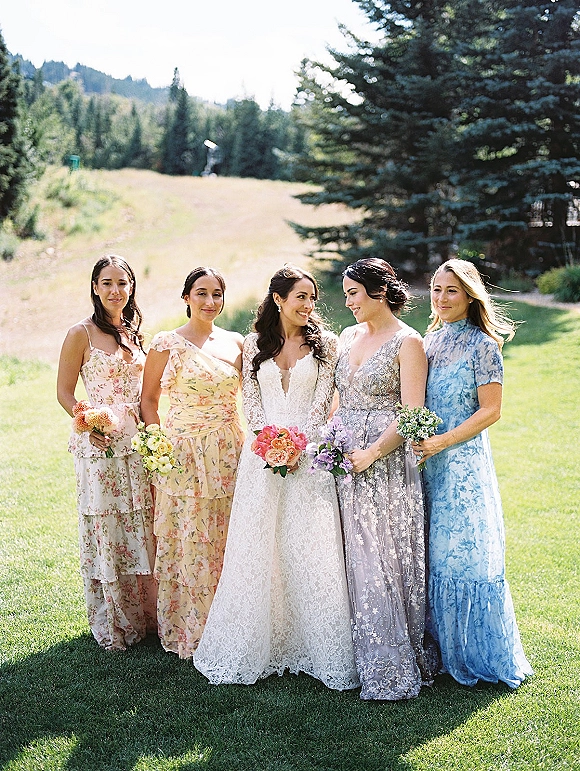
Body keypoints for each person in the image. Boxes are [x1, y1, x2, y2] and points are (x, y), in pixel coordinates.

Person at [194, 265, 358, 690]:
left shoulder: (328, 346)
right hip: (261, 457)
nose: (307, 306)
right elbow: (251, 400)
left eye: (312, 299)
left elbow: (323, 405)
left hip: (310, 455)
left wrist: (299, 443)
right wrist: (269, 440)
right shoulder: (253, 345)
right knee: (259, 546)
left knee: (309, 546)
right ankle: (256, 641)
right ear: (279, 300)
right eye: (299, 297)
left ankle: (319, 646)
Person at [413, 258, 533, 688]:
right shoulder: (430, 339)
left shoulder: (484, 345)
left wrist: (442, 442)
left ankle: (474, 651)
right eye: (436, 289)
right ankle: (437, 649)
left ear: (469, 296)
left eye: (451, 291)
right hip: (426, 463)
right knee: (429, 552)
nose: (441, 298)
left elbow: (492, 411)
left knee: (460, 556)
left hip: (461, 466)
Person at [334, 257, 437, 700]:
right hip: (343, 459)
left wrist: (372, 453)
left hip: (386, 463)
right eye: (346, 294)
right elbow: (341, 401)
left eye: (354, 292)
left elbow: (413, 413)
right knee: (349, 555)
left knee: (381, 557)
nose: (348, 302)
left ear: (379, 292)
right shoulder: (347, 335)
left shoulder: (408, 342)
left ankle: (392, 661)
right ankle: (349, 655)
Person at [140, 267, 244, 659]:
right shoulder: (167, 343)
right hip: (184, 454)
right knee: (189, 539)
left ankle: (232, 621)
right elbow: (148, 401)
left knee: (227, 536)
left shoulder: (236, 342)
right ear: (186, 297)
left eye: (217, 294)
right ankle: (191, 627)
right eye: (201, 293)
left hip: (229, 450)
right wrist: (158, 445)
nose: (210, 302)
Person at [57, 254, 157, 651]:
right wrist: (89, 422)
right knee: (107, 528)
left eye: (123, 283)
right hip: (99, 446)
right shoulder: (79, 333)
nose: (115, 291)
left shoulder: (136, 334)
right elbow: (65, 392)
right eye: (107, 283)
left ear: (131, 287)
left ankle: (149, 616)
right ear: (95, 288)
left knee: (142, 524)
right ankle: (115, 620)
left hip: (138, 443)